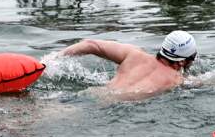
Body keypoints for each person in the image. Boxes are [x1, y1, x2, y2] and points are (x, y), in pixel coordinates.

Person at [60, 30, 197, 97]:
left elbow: (91, 44)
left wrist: (53, 59)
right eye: (192, 57)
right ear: (182, 61)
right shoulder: (177, 80)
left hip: (93, 94)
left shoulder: (134, 54)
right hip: (118, 106)